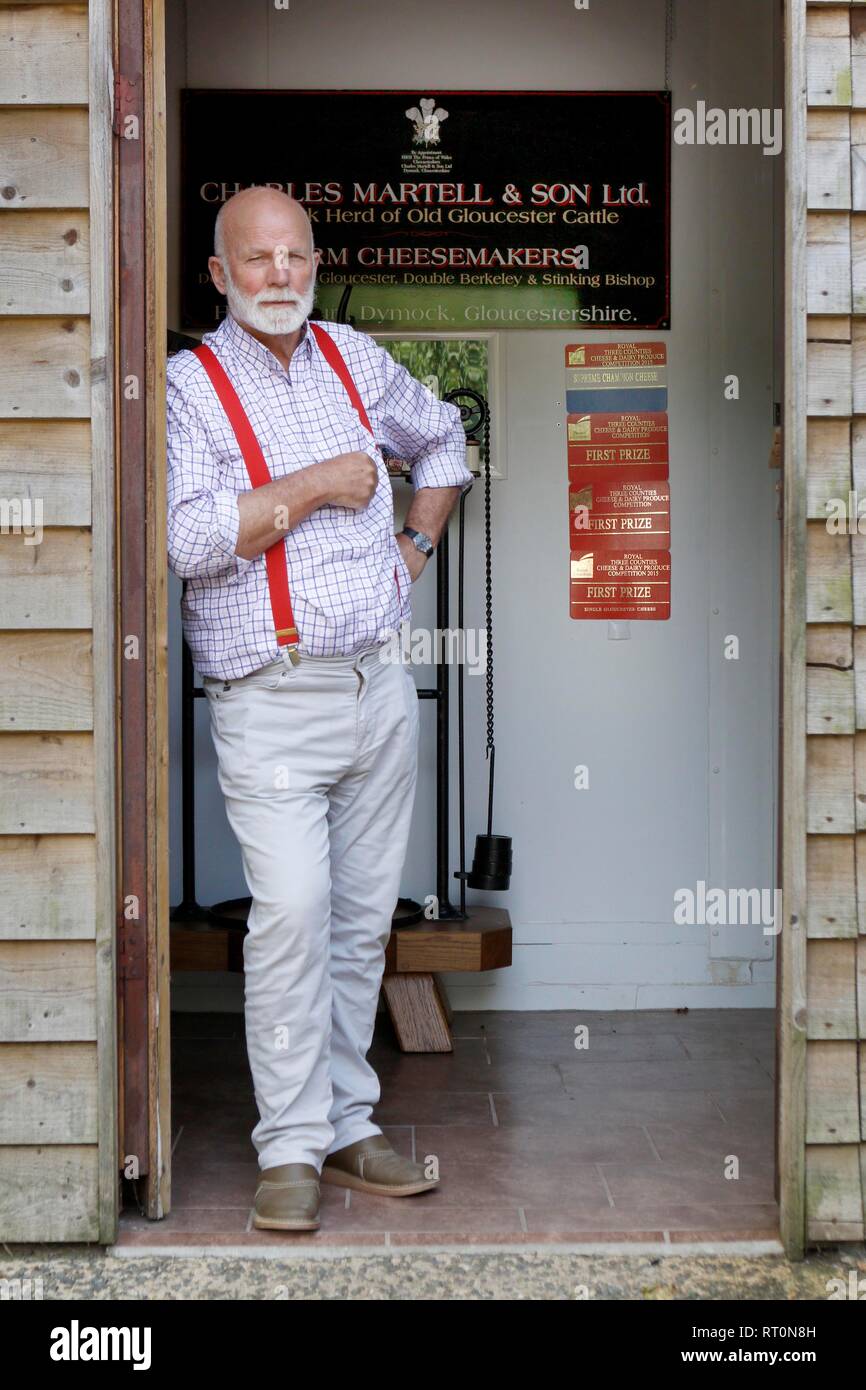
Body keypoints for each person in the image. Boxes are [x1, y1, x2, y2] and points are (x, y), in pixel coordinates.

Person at [166, 187, 472, 1231]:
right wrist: (326, 482)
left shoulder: (352, 356)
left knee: (354, 926)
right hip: (270, 697)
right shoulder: (187, 389)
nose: (280, 274)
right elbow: (193, 539)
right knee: (291, 915)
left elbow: (444, 441)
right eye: (257, 259)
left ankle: (346, 1124)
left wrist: (413, 546)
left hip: (375, 686)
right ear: (219, 275)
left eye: (295, 254)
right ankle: (287, 1145)